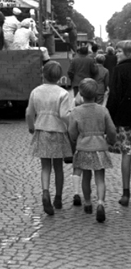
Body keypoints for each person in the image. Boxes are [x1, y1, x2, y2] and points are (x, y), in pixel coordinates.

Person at [26, 61, 72, 216]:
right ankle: (58, 198)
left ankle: (45, 192)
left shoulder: (36, 91)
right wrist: (71, 128)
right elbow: (64, 115)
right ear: (59, 77)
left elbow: (29, 113)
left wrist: (31, 126)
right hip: (58, 131)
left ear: (43, 74)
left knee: (45, 166)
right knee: (58, 167)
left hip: (42, 130)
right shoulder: (63, 93)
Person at [68, 78, 116, 223]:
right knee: (100, 178)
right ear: (96, 94)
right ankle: (100, 202)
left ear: (81, 94)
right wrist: (111, 140)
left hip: (84, 148)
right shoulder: (103, 110)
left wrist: (75, 139)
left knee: (86, 177)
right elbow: (111, 130)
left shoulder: (76, 111)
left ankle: (88, 203)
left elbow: (72, 132)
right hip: (100, 147)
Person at [106, 39, 131, 207]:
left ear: (128, 53)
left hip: (125, 117)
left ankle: (125, 192)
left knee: (127, 153)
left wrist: (109, 119)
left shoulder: (119, 70)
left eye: (119, 51)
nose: (116, 54)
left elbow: (114, 96)